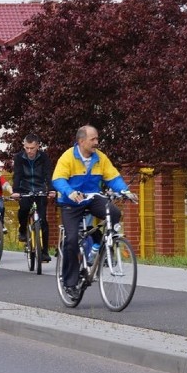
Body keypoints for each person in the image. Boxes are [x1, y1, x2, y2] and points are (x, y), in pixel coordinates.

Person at [52, 125, 136, 299]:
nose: (97, 142)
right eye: (93, 139)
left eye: (97, 139)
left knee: (114, 213)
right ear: (81, 141)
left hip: (91, 198)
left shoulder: (100, 158)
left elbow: (113, 177)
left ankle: (101, 245)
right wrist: (70, 192)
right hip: (71, 202)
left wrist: (125, 191)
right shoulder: (68, 157)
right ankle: (70, 283)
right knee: (72, 240)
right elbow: (58, 179)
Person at [11, 133, 55, 261]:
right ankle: (23, 230)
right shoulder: (19, 157)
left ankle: (45, 252)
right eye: (27, 148)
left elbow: (48, 174)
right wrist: (16, 191)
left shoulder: (44, 157)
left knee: (43, 222)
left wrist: (51, 189)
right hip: (25, 189)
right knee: (23, 209)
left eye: (32, 148)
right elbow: (17, 175)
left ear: (38, 146)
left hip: (39, 189)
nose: (29, 151)